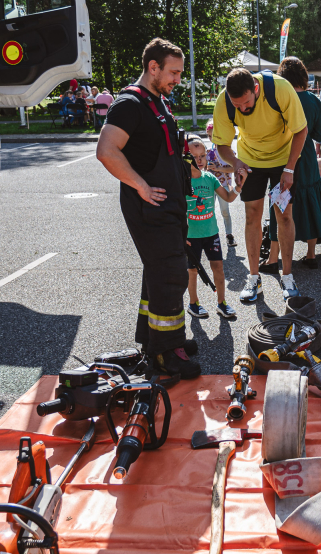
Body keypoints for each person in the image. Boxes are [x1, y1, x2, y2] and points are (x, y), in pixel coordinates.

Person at [96, 38, 200, 380]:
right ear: (152, 67)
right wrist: (140, 185)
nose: (177, 80)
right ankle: (167, 355)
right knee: (170, 273)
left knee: (159, 272)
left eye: (180, 73)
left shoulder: (159, 103)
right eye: (173, 72)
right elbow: (107, 150)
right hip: (149, 206)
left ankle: (155, 339)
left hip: (168, 204)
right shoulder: (129, 104)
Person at [211, 67, 309, 302]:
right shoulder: (224, 101)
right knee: (252, 215)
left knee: (284, 215)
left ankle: (287, 277)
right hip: (250, 161)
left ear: (255, 89)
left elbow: (301, 130)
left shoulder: (280, 88)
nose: (243, 109)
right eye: (238, 106)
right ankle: (253, 278)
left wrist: (289, 168)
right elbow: (222, 144)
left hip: (283, 160)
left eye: (246, 102)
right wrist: (236, 163)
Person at [264, 57, 321, 271]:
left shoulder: (277, 98)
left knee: (280, 202)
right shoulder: (313, 100)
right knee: (310, 202)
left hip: (283, 157)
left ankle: (272, 258)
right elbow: (318, 133)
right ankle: (311, 254)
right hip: (306, 158)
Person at [184, 137, 238, 321]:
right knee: (192, 271)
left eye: (202, 156)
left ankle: (222, 303)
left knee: (219, 268)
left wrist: (239, 185)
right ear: (185, 157)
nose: (199, 160)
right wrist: (180, 234)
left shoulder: (210, 178)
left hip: (211, 233)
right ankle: (193, 304)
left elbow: (229, 198)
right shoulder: (181, 182)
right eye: (194, 156)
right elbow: (175, 211)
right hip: (191, 236)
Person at [202, 120, 236, 247]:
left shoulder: (227, 151)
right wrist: (206, 167)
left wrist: (218, 169)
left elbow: (234, 168)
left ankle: (229, 234)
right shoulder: (208, 151)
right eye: (209, 136)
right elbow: (204, 167)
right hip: (210, 184)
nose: (211, 139)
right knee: (209, 210)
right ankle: (210, 235)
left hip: (224, 185)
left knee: (224, 210)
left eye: (213, 136)